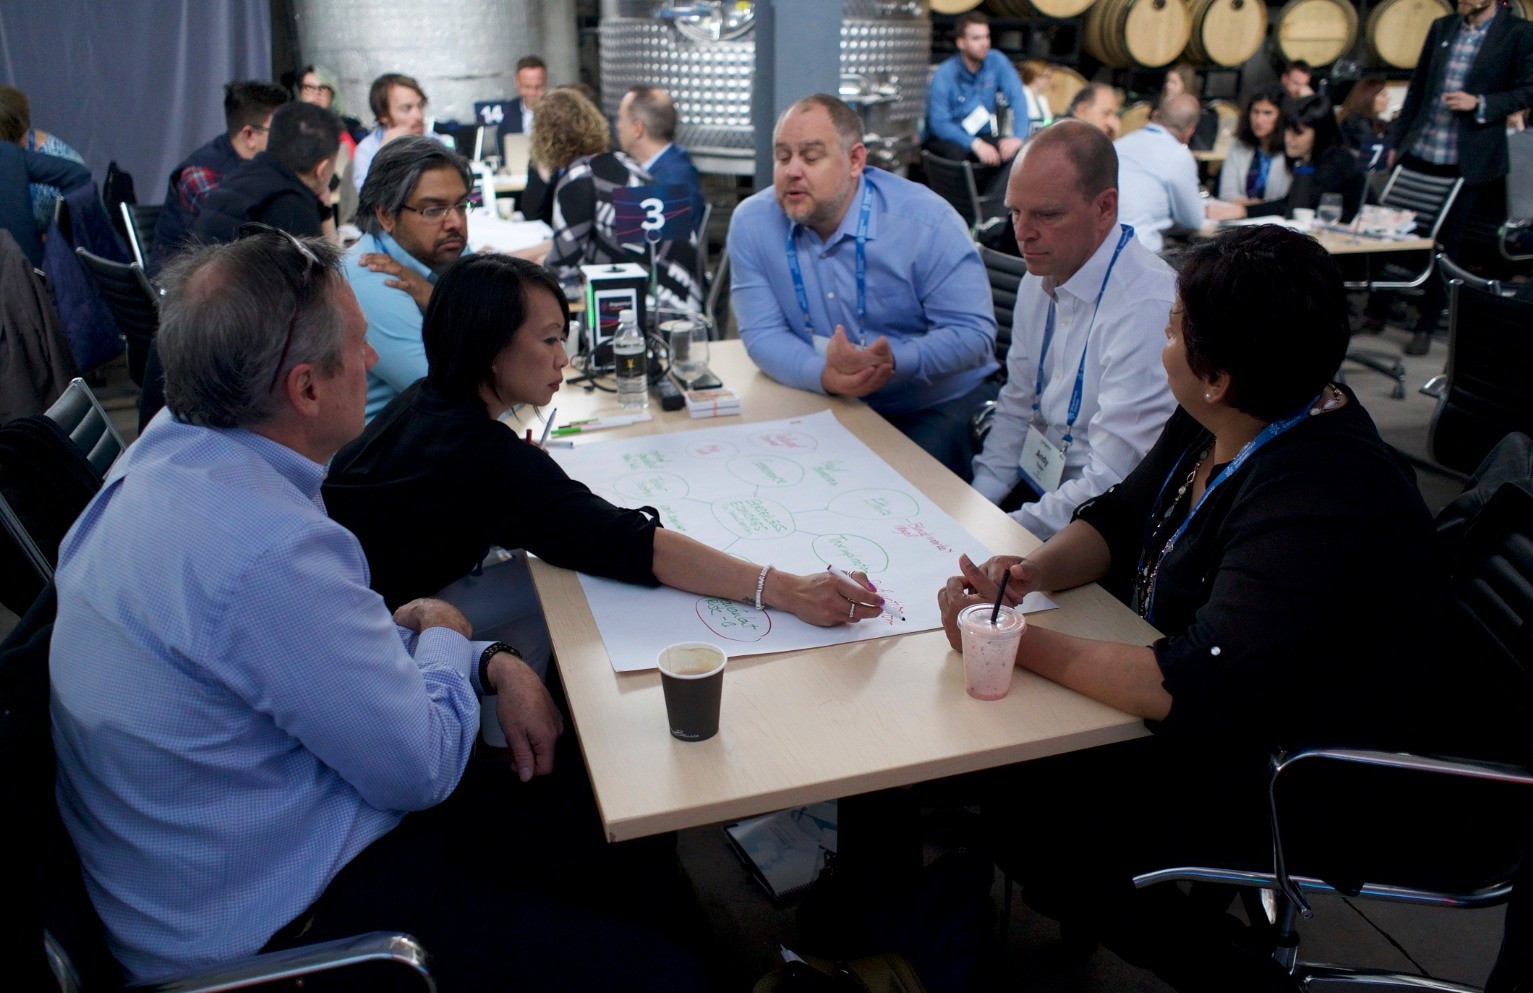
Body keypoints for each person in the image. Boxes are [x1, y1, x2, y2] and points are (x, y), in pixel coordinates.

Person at [49, 231, 707, 993]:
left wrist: (484, 659)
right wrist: (450, 634)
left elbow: (314, 652)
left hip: (242, 841)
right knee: (661, 967)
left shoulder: (169, 454)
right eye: (356, 346)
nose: (371, 361)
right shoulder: (266, 549)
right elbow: (421, 766)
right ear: (305, 389)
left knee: (606, 816)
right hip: (289, 931)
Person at [943, 224, 1437, 991]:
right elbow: (1120, 516)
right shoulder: (1230, 411)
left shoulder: (1320, 494)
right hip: (1223, 705)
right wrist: (1032, 572)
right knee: (1016, 764)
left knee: (1027, 799)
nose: (1161, 342)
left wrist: (1011, 640)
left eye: (1172, 329)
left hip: (1292, 769)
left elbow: (1193, 680)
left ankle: (1232, 975)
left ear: (1216, 375)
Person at [324, 252, 883, 641]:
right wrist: (786, 589)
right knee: (554, 590)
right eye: (548, 340)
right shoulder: (486, 455)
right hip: (381, 629)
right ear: (490, 349)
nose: (563, 359)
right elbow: (633, 545)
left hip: (343, 602)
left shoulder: (425, 401)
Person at [729, 93, 998, 478]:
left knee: (891, 491)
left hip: (930, 402)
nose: (792, 171)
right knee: (763, 474)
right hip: (829, 395)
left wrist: (895, 361)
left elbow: (974, 335)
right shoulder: (753, 222)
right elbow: (762, 334)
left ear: (855, 160)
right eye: (782, 157)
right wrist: (824, 375)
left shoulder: (925, 222)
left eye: (810, 157)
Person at [970, 120, 1175, 540]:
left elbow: (1112, 481)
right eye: (1015, 211)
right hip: (1040, 493)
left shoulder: (1147, 307)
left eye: (1047, 214)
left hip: (1102, 526)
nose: (1022, 234)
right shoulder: (1037, 278)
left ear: (1105, 208)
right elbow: (1016, 405)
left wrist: (1000, 532)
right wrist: (976, 507)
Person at [1379, 0, 1533, 355]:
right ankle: (1376, 312)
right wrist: (1396, 142)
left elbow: (1528, 90)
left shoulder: (1518, 33)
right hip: (1422, 150)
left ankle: (1426, 324)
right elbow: (1418, 87)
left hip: (1466, 161)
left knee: (1446, 248)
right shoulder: (1442, 27)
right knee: (1390, 232)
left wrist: (1480, 103)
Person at [538, 88, 702, 312]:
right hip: (682, 305)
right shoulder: (625, 166)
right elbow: (631, 249)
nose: (618, 126)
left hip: (647, 314)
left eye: (621, 119)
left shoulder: (580, 178)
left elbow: (561, 269)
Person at [344, 134, 471, 419]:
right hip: (388, 447)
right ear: (386, 216)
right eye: (433, 210)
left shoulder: (447, 249)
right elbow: (459, 402)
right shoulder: (371, 280)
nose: (455, 222)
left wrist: (432, 296)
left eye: (461, 205)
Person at [150, 80, 289, 272]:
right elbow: (242, 236)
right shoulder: (201, 175)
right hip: (181, 282)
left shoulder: (263, 166)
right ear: (249, 135)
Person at [192, 100, 343, 244]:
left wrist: (324, 209)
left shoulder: (242, 175)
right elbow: (329, 261)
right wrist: (327, 216)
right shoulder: (294, 209)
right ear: (322, 169)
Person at [1115, 94, 1241, 254]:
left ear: (1155, 115)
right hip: (1139, 250)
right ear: (1190, 131)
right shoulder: (1178, 155)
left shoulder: (1120, 144)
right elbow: (1192, 221)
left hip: (1102, 248)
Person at [925, 10, 1027, 193]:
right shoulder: (945, 74)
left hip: (983, 133)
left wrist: (1018, 137)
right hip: (953, 137)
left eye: (986, 37)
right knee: (955, 155)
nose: (984, 43)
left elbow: (1017, 97)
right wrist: (974, 143)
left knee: (1017, 152)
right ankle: (962, 206)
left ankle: (992, 205)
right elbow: (938, 123)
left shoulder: (996, 61)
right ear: (961, 43)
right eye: (976, 38)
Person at [1237, 94, 1362, 223]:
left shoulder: (1338, 160)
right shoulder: (1303, 157)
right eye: (1287, 131)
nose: (1288, 139)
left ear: (1320, 134)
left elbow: (1296, 203)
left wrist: (1243, 211)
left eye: (1298, 133)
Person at [0, 95, 89, 267]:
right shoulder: (23, 154)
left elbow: (79, 177)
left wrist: (55, 236)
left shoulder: (43, 158)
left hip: (35, 264)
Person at [617, 85, 706, 233]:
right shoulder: (668, 166)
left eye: (621, 118)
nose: (618, 126)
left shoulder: (673, 180)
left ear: (638, 129)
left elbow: (647, 241)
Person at [352, 73, 444, 193]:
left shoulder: (436, 142)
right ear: (383, 116)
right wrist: (384, 156)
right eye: (407, 108)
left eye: (420, 106)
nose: (419, 116)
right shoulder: (367, 150)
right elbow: (368, 198)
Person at [296, 64, 360, 224]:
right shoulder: (287, 129)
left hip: (339, 207)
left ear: (332, 95)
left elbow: (354, 169)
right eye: (309, 88)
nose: (316, 94)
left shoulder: (345, 130)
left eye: (323, 88)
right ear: (299, 92)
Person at [1216, 83, 1292, 204]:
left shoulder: (1291, 149)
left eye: (1267, 113)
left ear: (1281, 116)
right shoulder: (1239, 145)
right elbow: (1227, 194)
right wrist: (1252, 206)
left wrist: (1256, 208)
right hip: (1239, 213)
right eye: (1255, 112)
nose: (1259, 120)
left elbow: (1287, 201)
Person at [1157, 63, 1219, 150]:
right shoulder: (1160, 107)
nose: (1168, 86)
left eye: (1173, 82)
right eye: (1168, 81)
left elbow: (1200, 144)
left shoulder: (1201, 113)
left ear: (1185, 85)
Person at [1337, 75, 1391, 160]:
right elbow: (1373, 149)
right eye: (1383, 95)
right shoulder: (1356, 121)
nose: (1388, 98)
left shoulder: (1372, 121)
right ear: (1369, 96)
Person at [505, 55, 548, 135]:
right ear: (516, 82)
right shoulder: (508, 111)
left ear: (545, 82)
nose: (532, 92)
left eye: (538, 87)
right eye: (527, 87)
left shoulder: (556, 112)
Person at [1018, 59, 1054, 137]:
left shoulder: (1042, 99)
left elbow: (1048, 121)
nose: (1049, 81)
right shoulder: (1020, 96)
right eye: (1047, 77)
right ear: (1036, 77)